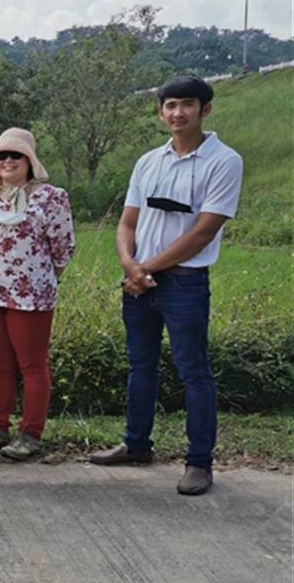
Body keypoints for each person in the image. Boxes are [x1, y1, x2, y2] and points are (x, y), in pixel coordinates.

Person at [90, 75, 242, 496]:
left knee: (193, 371)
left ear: (205, 109)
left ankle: (199, 463)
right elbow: (127, 221)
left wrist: (144, 269)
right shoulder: (149, 161)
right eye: (170, 105)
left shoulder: (223, 161)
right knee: (141, 367)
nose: (178, 113)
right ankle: (136, 444)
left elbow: (202, 233)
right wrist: (128, 262)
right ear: (161, 113)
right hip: (140, 281)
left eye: (187, 105)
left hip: (184, 283)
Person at [0, 128, 75, 460]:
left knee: (32, 365)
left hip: (31, 295)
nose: (8, 161)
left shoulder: (51, 197)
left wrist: (41, 278)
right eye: (2, 155)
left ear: (30, 160)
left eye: (16, 155)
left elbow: (64, 248)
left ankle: (31, 433)